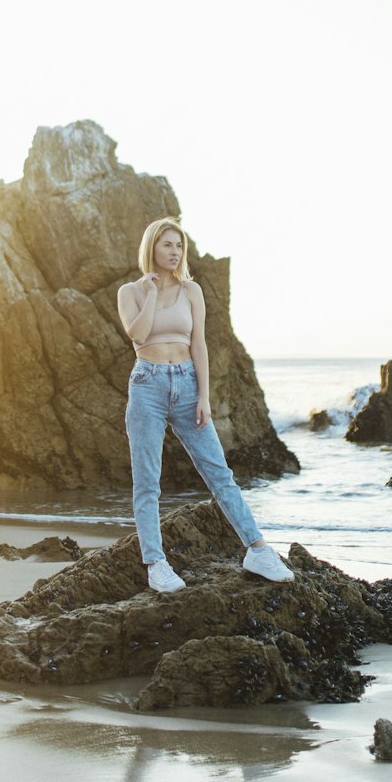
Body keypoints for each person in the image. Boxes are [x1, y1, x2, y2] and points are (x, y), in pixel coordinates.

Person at [116, 216, 294, 593]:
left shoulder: (191, 291)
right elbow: (138, 334)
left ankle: (258, 549)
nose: (175, 252)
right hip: (146, 383)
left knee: (219, 473)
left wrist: (204, 396)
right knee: (147, 483)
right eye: (167, 245)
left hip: (185, 383)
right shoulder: (130, 292)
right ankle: (156, 564)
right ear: (152, 247)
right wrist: (149, 294)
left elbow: (200, 344)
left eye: (179, 246)